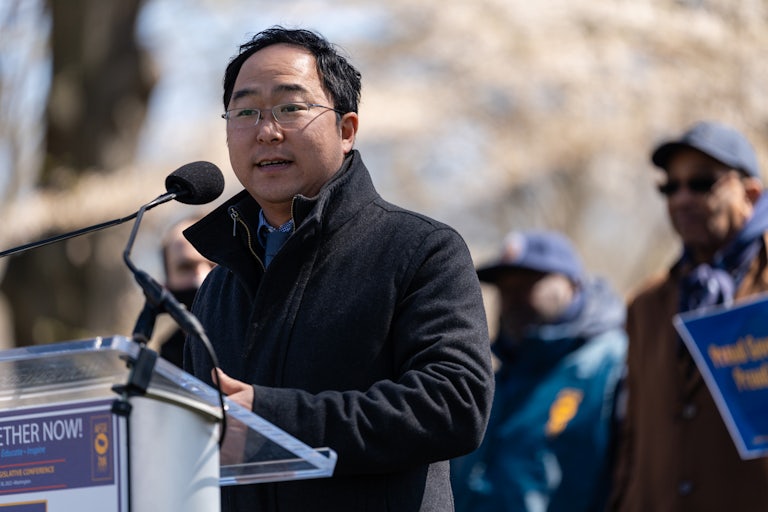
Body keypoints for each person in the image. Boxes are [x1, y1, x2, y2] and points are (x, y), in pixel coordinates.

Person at [182, 26, 494, 511]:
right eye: (245, 112)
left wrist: (275, 416)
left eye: (290, 107)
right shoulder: (218, 287)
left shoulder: (421, 251)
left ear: (347, 130)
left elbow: (455, 404)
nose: (267, 131)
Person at [610, 120, 768, 511]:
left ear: (750, 193)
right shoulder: (645, 305)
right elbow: (634, 433)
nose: (681, 199)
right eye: (669, 186)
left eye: (701, 183)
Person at [451, 229, 628, 512]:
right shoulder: (498, 381)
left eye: (527, 284)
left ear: (572, 285)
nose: (513, 299)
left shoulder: (613, 365)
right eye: (505, 288)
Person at [157, 215, 215, 368]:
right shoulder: (163, 364)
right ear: (166, 288)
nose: (201, 278)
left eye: (214, 264)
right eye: (186, 267)